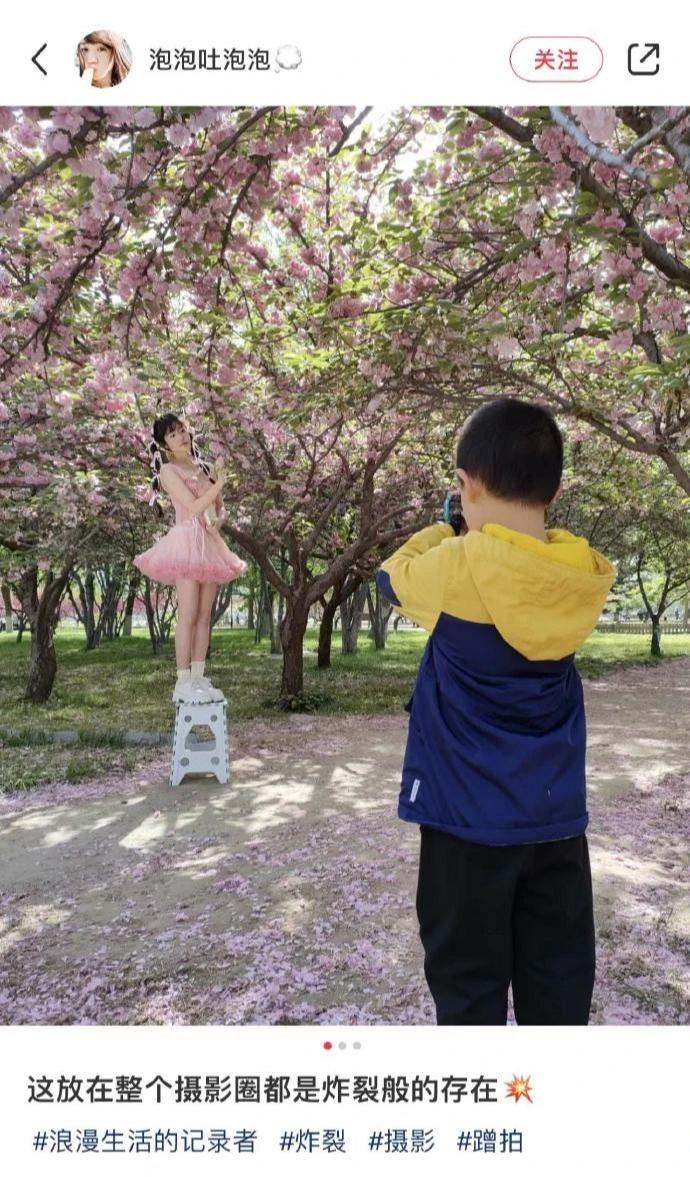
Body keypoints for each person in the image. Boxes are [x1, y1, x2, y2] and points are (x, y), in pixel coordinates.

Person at [376, 397, 616, 1026]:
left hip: (465, 826)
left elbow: (391, 577)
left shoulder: (458, 565)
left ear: (466, 485)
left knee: (467, 988)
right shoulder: (580, 573)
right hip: (555, 820)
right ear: (555, 489)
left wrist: (447, 527)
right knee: (558, 985)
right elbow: (532, 552)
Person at [134, 413, 247, 703]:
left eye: (182, 430)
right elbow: (194, 506)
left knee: (204, 615)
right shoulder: (169, 471)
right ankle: (182, 680)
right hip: (186, 541)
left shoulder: (204, 466)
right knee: (187, 613)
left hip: (209, 543)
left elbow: (219, 510)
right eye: (173, 434)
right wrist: (219, 483)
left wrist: (220, 520)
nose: (181, 436)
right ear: (164, 444)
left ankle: (199, 676)